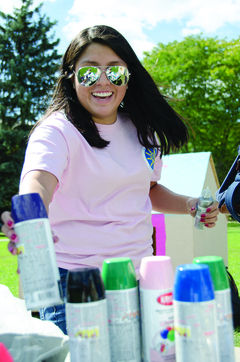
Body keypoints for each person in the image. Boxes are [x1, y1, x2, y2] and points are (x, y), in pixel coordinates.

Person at [1, 25, 219, 335]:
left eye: (115, 72)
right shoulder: (56, 131)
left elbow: (148, 189)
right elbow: (37, 184)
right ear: (71, 76)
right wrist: (31, 220)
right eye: (89, 72)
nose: (103, 81)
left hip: (140, 277)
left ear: (128, 78)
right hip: (73, 282)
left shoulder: (143, 132)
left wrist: (190, 204)